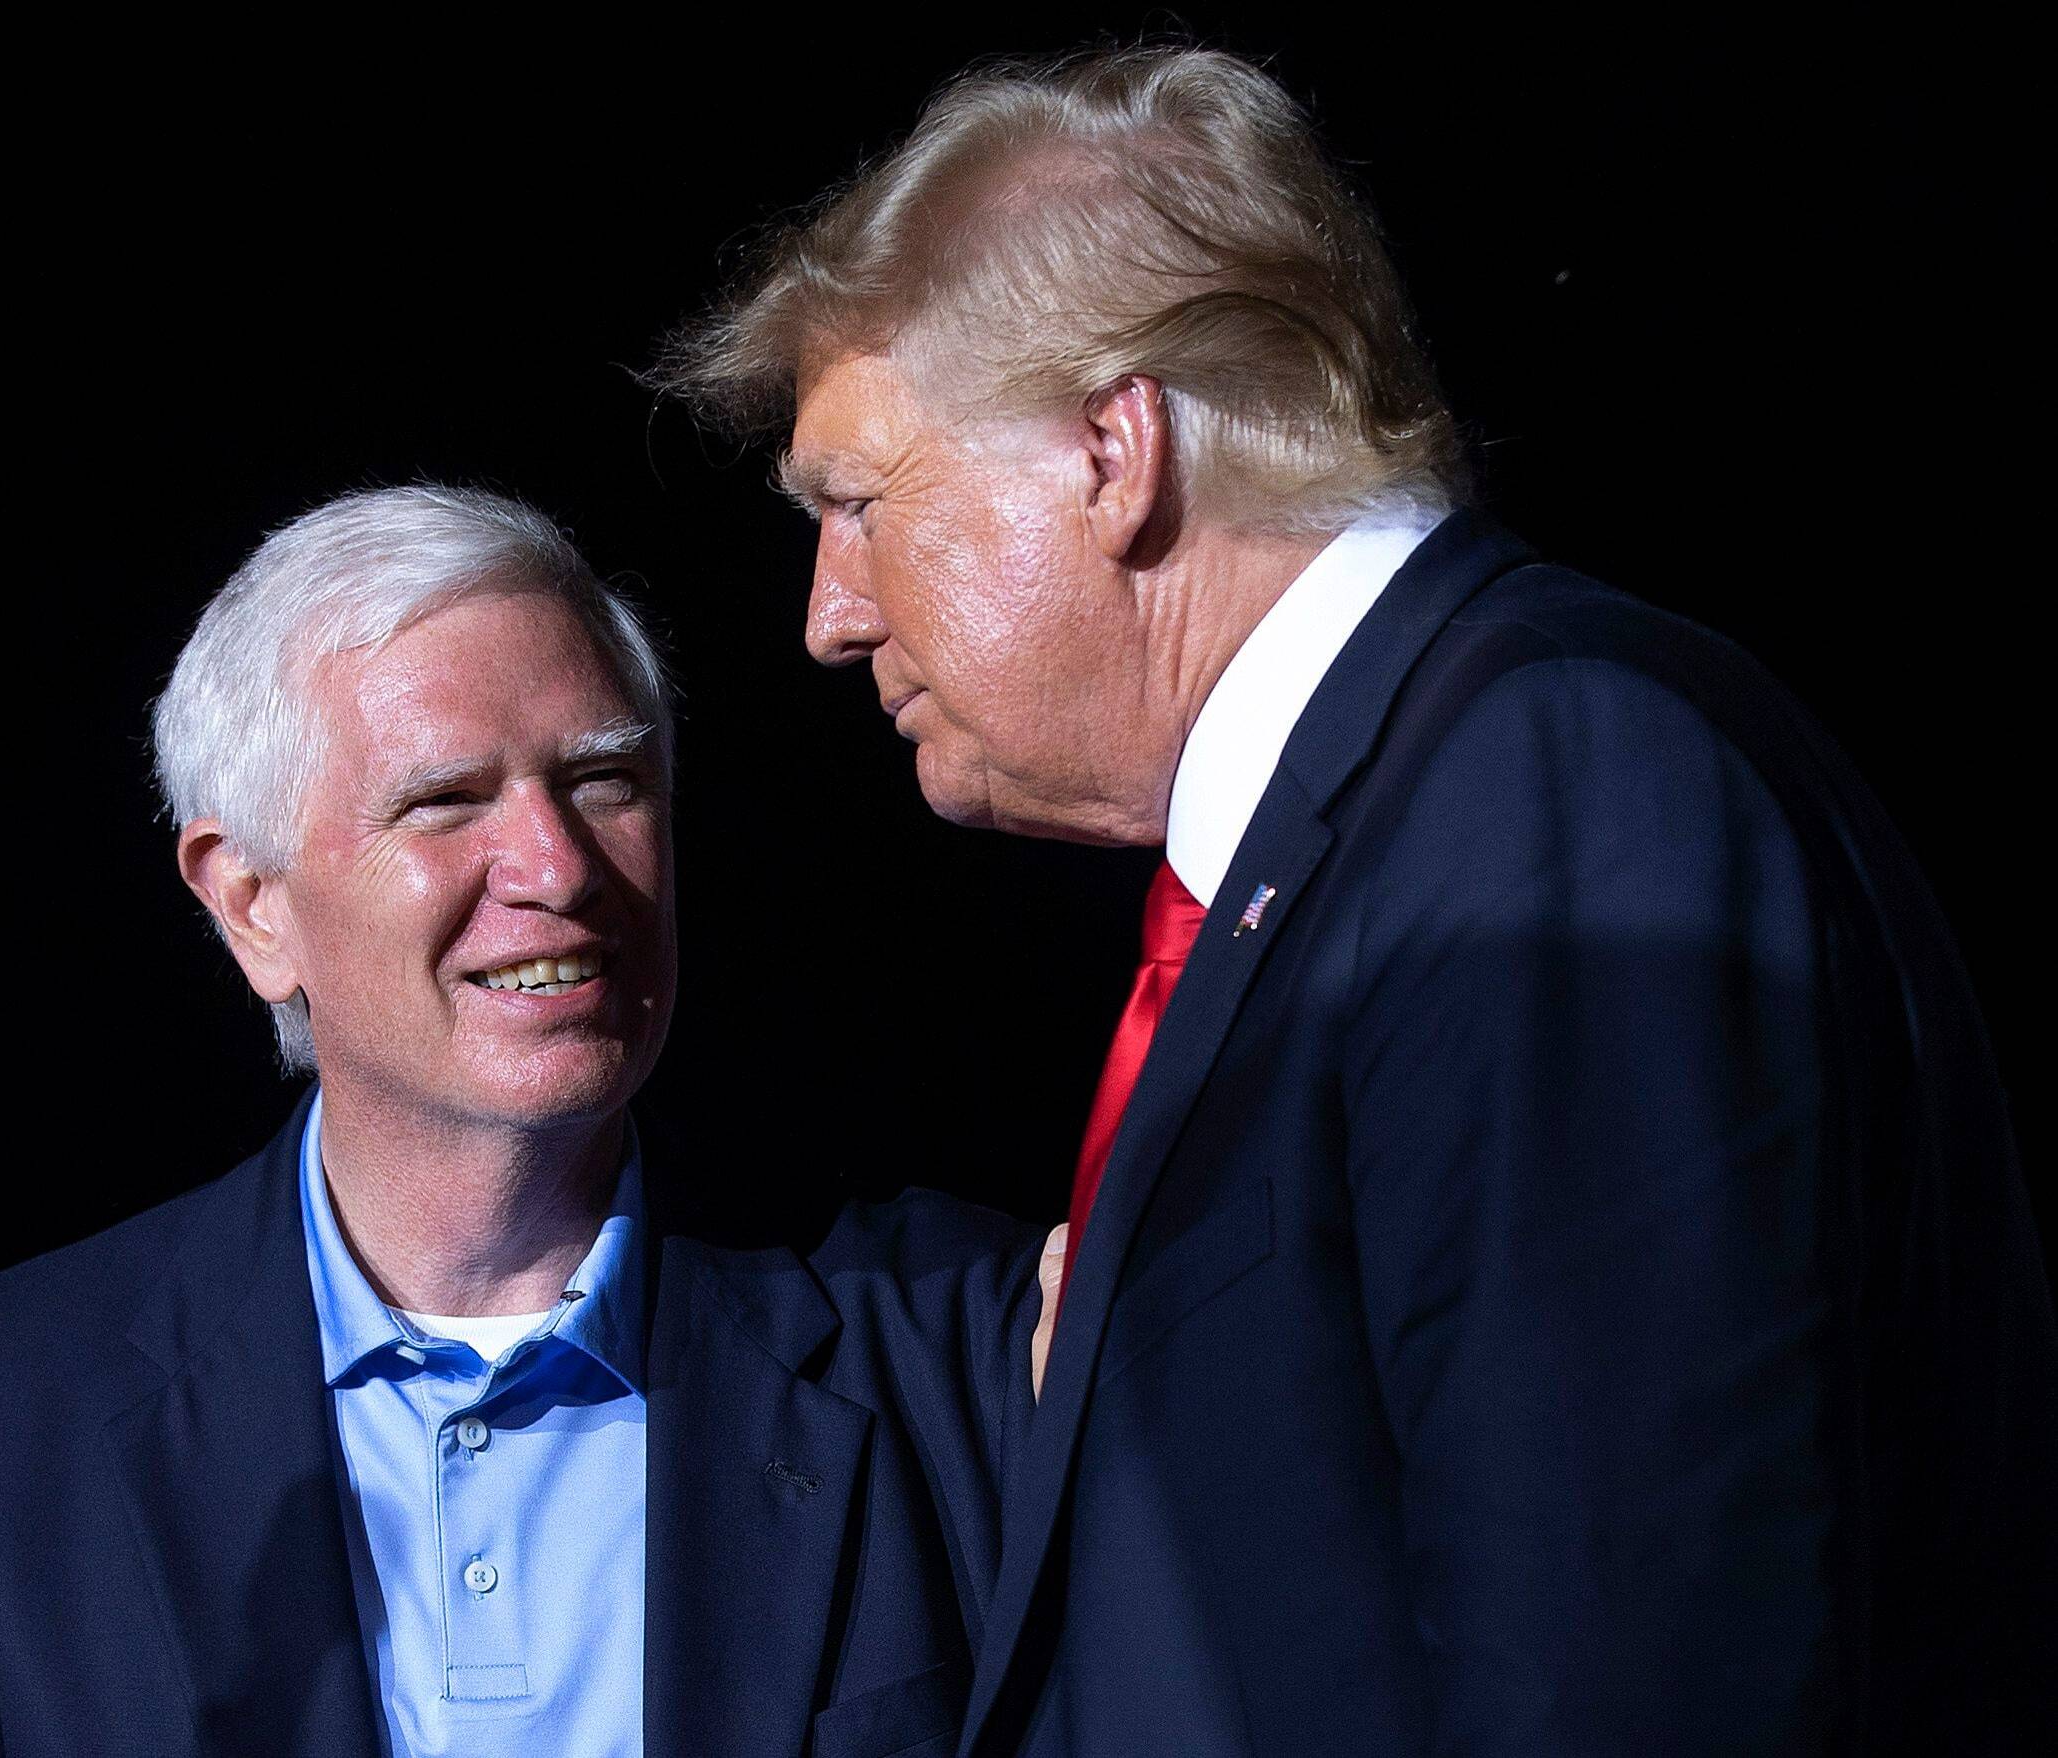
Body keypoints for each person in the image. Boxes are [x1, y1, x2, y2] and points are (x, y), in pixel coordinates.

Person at [657, 43, 2058, 1756]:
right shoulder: (1361, 841)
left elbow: (1636, 1673)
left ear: (1113, 450)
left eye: (861, 506)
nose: (829, 616)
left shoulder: (1544, 789)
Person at [0, 486, 1043, 1758]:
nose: (557, 868)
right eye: (446, 801)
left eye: (604, 779)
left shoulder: (959, 1339)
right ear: (251, 906)